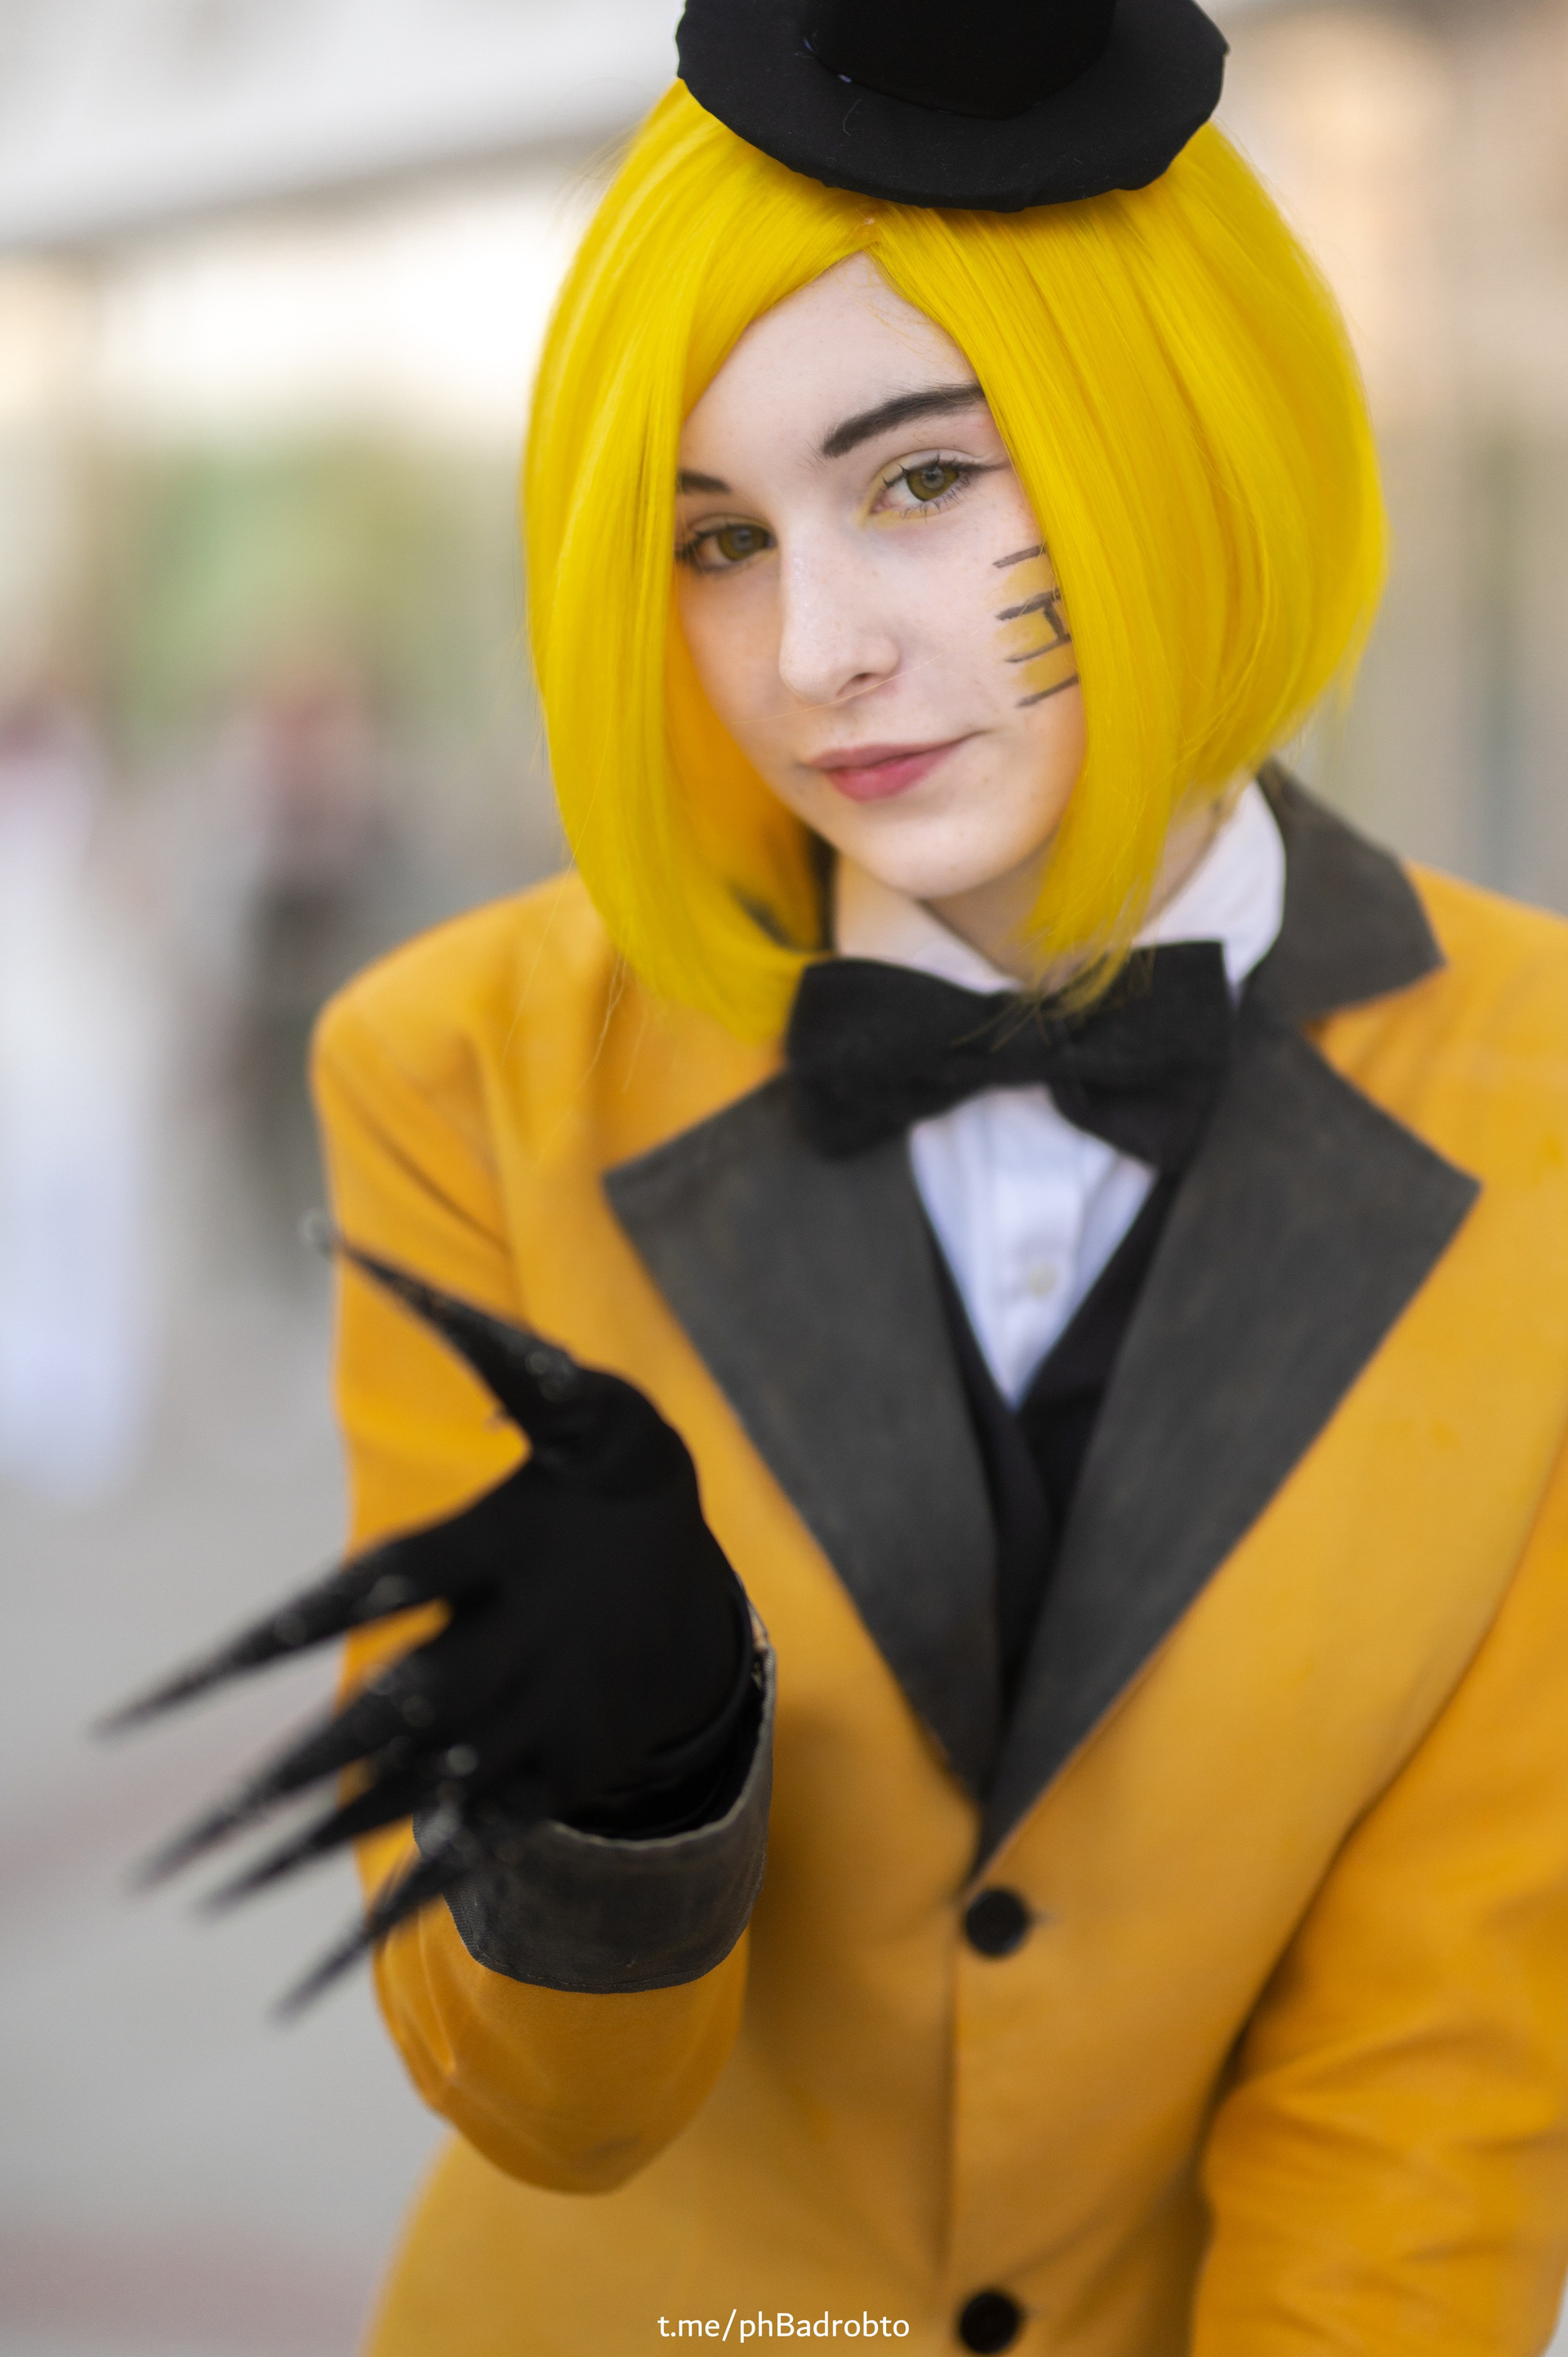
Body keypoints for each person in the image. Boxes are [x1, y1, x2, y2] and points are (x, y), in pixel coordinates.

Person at [131, 2, 1568, 2350]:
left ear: (1177, 428)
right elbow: (537, 2107)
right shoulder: (460, 1072)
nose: (813, 656)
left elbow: (1440, 2090)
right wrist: (622, 1791)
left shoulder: (1545, 1095)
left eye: (918, 481)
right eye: (716, 538)